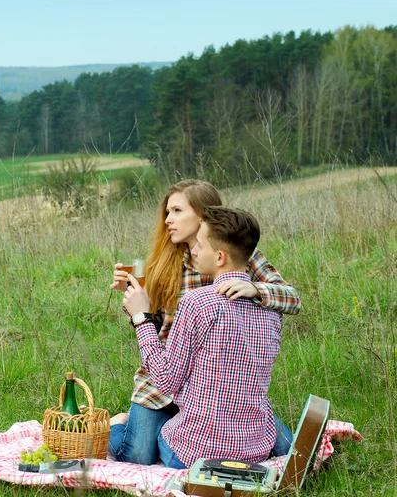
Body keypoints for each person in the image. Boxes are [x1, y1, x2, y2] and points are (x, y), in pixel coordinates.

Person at [108, 180, 298, 465]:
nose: (168, 219)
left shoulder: (237, 252)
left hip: (216, 385)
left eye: (176, 211)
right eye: (167, 212)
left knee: (286, 447)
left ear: (203, 215)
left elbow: (292, 298)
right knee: (138, 454)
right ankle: (122, 423)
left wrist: (257, 289)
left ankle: (181, 429)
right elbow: (156, 327)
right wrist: (136, 304)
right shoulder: (163, 261)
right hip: (166, 374)